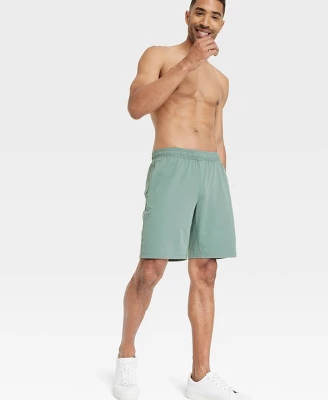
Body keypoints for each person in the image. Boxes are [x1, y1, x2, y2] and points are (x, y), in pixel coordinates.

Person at [113, 1, 252, 399]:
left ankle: (200, 377)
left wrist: (219, 181)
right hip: (172, 163)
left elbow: (218, 136)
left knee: (206, 271)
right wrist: (188, 63)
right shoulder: (158, 55)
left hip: (211, 173)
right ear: (187, 15)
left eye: (214, 15)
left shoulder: (221, 80)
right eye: (200, 12)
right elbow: (136, 108)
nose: (206, 21)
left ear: (222, 23)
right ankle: (126, 357)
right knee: (152, 268)